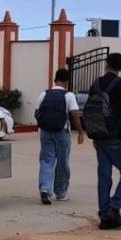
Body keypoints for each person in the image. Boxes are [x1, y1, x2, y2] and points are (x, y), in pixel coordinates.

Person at [91, 52, 121, 230]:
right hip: (118, 137)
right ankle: (114, 207)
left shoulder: (96, 84)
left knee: (104, 177)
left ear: (106, 64)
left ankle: (105, 216)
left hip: (99, 137)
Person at [34, 68, 84, 205]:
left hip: (45, 132)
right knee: (62, 162)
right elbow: (74, 114)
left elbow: (37, 112)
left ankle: (45, 189)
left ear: (55, 80)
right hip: (62, 132)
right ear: (67, 82)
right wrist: (80, 131)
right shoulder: (69, 96)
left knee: (46, 160)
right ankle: (61, 193)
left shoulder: (44, 94)